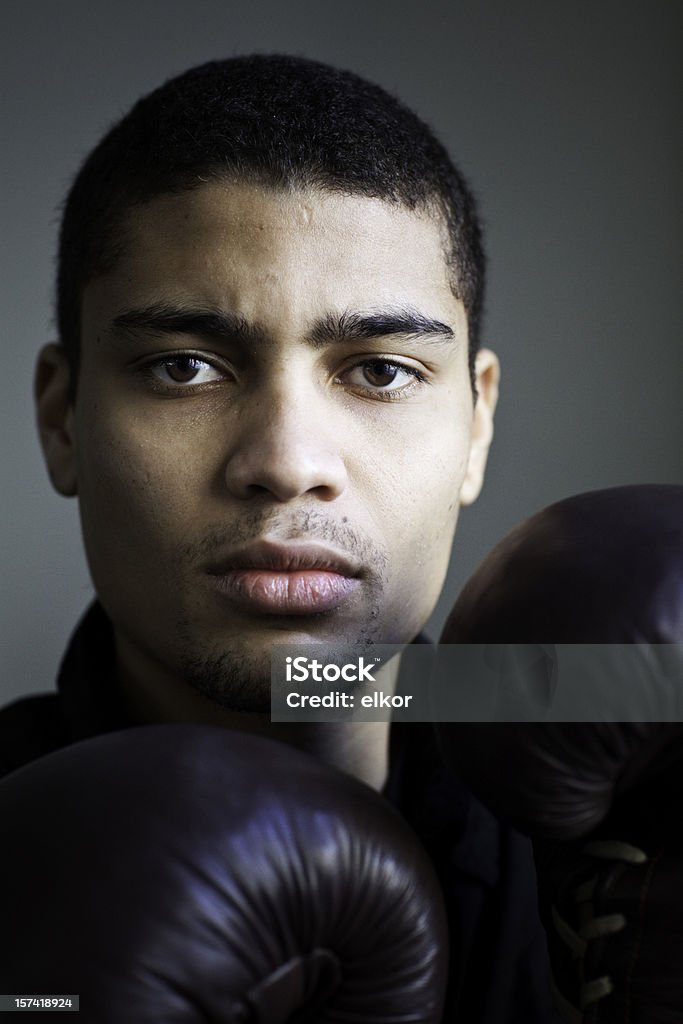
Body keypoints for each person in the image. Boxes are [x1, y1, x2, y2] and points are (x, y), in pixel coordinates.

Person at [0, 55, 556, 1021]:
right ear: (62, 421)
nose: (288, 461)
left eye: (379, 372)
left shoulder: (621, 816)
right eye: (184, 367)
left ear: (476, 425)